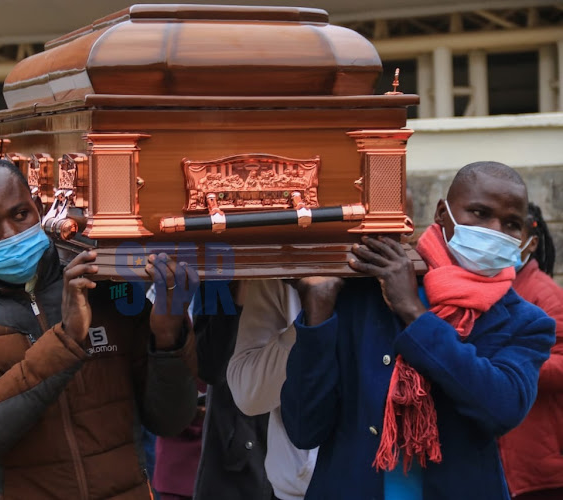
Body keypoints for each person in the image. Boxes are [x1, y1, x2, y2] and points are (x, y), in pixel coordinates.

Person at [0, 156, 198, 499]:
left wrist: (168, 336)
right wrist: (65, 341)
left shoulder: (105, 287)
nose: (11, 234)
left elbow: (170, 420)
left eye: (20, 214)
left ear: (39, 207)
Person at [280, 161, 556, 500]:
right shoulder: (364, 292)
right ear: (443, 213)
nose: (495, 230)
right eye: (480, 213)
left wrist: (413, 312)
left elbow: (500, 408)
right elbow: (304, 428)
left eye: (511, 224)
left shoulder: (525, 321)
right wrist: (318, 314)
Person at [226, 279, 318, 500]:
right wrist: (309, 323)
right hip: (298, 489)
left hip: (393, 480)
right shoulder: (280, 278)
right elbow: (248, 395)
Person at [499, 202, 563, 500]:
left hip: (534, 461)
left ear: (531, 242)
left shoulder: (544, 293)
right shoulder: (498, 287)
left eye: (512, 229)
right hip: (504, 458)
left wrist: (506, 363)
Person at [193, 281, 274, 500]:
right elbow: (210, 367)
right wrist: (237, 288)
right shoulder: (219, 266)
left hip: (308, 453)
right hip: (238, 454)